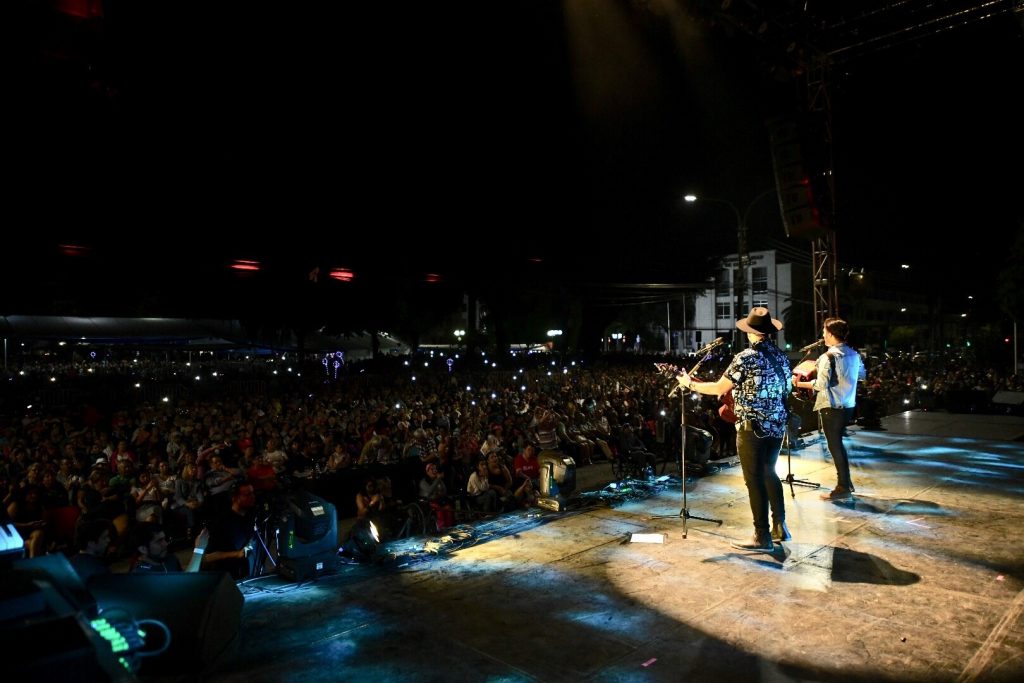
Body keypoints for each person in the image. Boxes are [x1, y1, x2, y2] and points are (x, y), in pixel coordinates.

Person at [676, 307, 792, 552]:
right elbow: (787, 389)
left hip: (752, 428)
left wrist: (690, 384)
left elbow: (719, 388)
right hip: (776, 425)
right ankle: (780, 526)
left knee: (754, 480)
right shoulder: (781, 356)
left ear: (750, 332)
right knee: (769, 473)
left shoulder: (745, 357)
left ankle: (762, 536)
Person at [794, 317, 866, 500]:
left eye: (825, 332)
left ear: (832, 334)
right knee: (838, 445)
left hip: (832, 407)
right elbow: (862, 375)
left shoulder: (828, 357)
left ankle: (843, 487)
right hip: (848, 405)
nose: (823, 335)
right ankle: (846, 482)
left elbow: (820, 385)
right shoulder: (853, 354)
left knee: (835, 447)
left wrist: (798, 384)